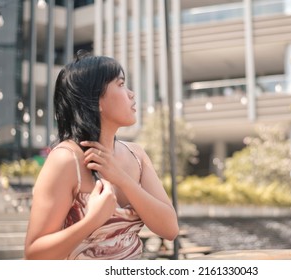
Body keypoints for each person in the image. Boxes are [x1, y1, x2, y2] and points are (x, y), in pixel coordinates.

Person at [24, 50, 179, 260]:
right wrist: (92, 221)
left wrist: (121, 179)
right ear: (96, 99)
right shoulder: (66, 159)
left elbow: (170, 229)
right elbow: (34, 255)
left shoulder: (137, 155)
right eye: (121, 84)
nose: (132, 94)